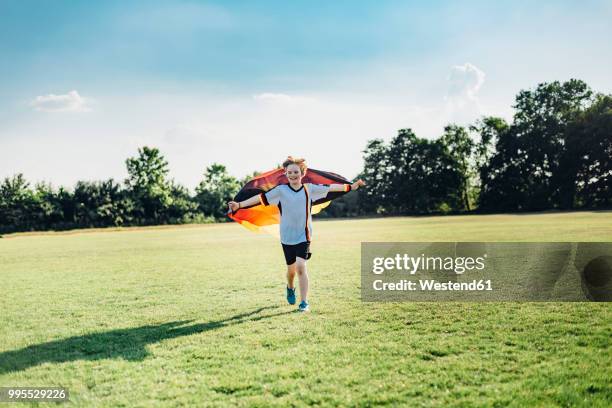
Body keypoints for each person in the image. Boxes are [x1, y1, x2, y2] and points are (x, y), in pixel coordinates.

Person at [228, 156, 365, 312]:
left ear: (302, 173)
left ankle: (304, 302)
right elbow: (259, 199)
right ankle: (290, 287)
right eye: (290, 172)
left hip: (304, 235)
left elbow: (330, 188)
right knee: (291, 271)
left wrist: (351, 187)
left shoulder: (310, 189)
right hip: (286, 237)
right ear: (285, 174)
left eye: (296, 172)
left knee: (301, 266)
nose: (293, 175)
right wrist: (239, 205)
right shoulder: (280, 191)